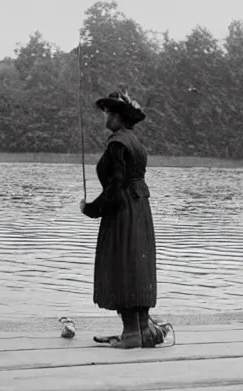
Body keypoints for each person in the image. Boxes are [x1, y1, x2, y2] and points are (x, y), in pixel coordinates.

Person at [80, 91, 164, 349]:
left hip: (124, 212)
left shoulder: (117, 143)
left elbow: (116, 187)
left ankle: (130, 336)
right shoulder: (135, 142)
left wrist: (92, 209)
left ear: (117, 117)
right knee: (137, 264)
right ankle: (142, 331)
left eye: (107, 112)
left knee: (123, 264)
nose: (104, 116)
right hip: (140, 210)